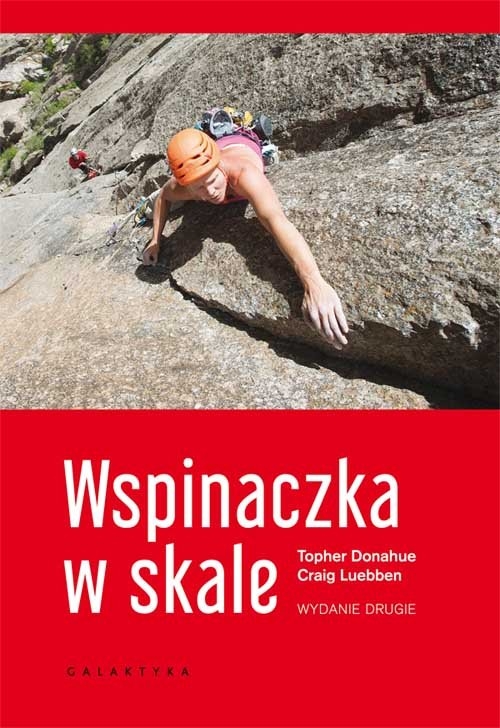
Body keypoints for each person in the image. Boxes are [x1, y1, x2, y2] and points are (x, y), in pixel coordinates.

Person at [142, 128, 348, 349]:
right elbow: (164, 196)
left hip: (240, 143)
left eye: (212, 180)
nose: (210, 192)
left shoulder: (244, 175)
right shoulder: (188, 184)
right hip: (215, 150)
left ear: (218, 166)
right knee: (165, 200)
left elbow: (277, 222)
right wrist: (156, 240)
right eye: (199, 188)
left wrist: (314, 284)